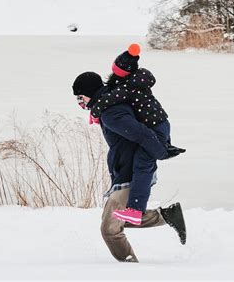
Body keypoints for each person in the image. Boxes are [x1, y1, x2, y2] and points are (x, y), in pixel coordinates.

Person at [72, 71, 186, 263]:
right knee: (116, 221)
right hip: (126, 170)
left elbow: (141, 134)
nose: (80, 102)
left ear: (90, 92)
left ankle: (128, 270)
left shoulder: (110, 113)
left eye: (80, 97)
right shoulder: (109, 105)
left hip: (129, 173)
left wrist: (161, 152)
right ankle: (167, 216)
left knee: (109, 229)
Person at [89, 44, 185, 225]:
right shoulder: (135, 81)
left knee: (143, 164)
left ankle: (136, 210)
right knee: (143, 163)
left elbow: (112, 98)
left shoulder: (130, 86)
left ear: (123, 72)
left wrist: (95, 111)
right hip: (160, 124)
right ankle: (142, 210)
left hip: (156, 127)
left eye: (116, 70)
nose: (114, 73)